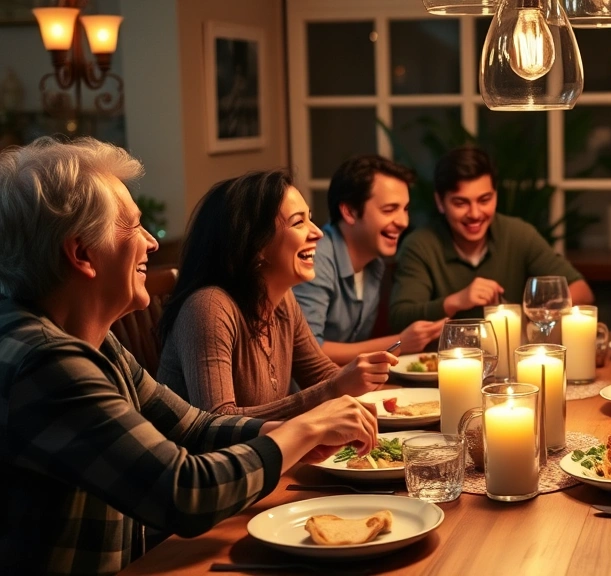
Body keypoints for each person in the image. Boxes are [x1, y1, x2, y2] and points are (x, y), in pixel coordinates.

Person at [0, 137, 378, 576]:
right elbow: (183, 492)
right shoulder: (47, 363)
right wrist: (303, 430)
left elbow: (192, 426)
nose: (152, 243)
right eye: (133, 227)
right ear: (82, 252)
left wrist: (284, 430)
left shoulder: (90, 339)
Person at [158, 169, 396, 419]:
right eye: (298, 222)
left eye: (310, 219)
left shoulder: (282, 300)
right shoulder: (209, 308)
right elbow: (218, 421)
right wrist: (334, 388)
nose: (317, 233)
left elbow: (322, 375)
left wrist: (364, 378)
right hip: (208, 457)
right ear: (257, 245)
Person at [389, 146, 594, 330]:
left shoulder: (518, 234)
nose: (475, 214)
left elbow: (581, 290)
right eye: (461, 203)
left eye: (485, 200)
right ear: (440, 202)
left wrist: (532, 318)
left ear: (495, 195)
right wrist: (456, 301)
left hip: (512, 363)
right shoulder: (420, 245)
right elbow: (400, 318)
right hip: (444, 366)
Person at [293, 155, 445, 365]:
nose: (403, 221)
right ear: (350, 211)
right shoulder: (316, 257)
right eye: (389, 210)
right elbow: (307, 351)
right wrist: (400, 342)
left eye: (405, 209)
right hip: (307, 395)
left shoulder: (374, 263)